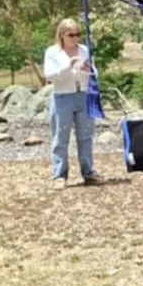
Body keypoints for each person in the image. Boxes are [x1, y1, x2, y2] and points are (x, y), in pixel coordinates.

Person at [42, 19, 102, 187]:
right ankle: (59, 175)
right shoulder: (52, 52)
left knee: (86, 136)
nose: (75, 38)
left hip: (83, 95)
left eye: (78, 34)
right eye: (71, 35)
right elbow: (50, 76)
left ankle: (89, 172)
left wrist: (88, 70)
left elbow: (95, 73)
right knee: (61, 137)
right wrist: (68, 66)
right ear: (62, 35)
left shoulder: (84, 50)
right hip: (62, 97)